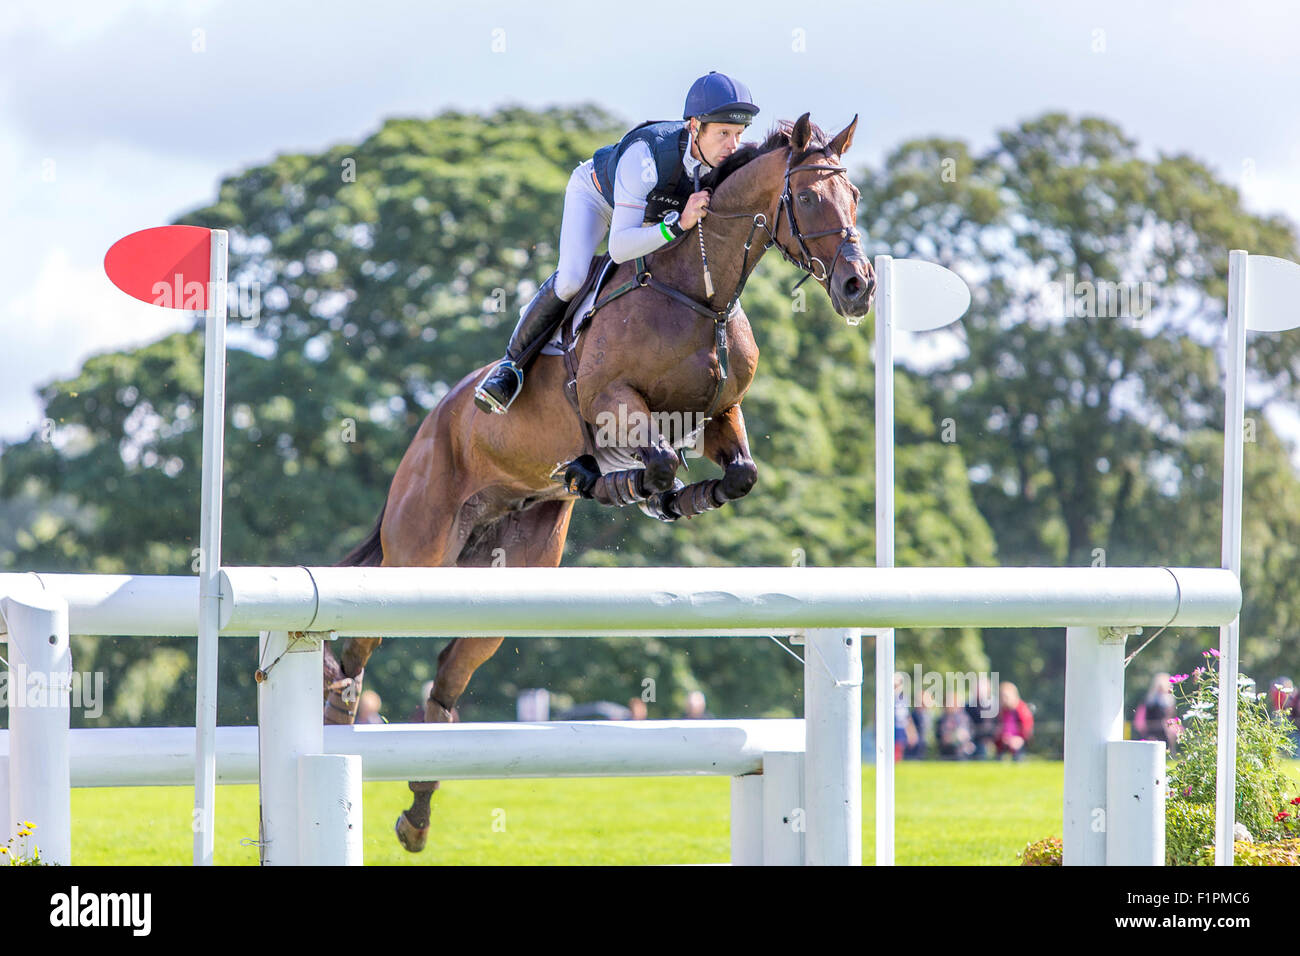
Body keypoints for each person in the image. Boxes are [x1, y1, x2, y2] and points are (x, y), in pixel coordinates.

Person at [473, 71, 759, 414]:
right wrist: (678, 225)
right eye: (723, 133)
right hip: (597, 199)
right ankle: (511, 366)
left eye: (739, 134)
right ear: (695, 126)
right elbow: (620, 247)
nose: (732, 145)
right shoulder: (648, 155)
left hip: (654, 216)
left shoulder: (722, 163)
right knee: (572, 279)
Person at [1132, 672, 1179, 756]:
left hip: (1163, 729)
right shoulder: (1149, 700)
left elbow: (1170, 717)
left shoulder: (1168, 701)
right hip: (1150, 729)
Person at [993, 681, 1034, 760]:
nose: (1004, 699)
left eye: (1006, 696)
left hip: (1018, 741)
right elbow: (998, 728)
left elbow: (1027, 728)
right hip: (1004, 742)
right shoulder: (1001, 711)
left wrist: (1019, 739)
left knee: (1018, 757)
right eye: (1002, 697)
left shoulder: (1021, 709)